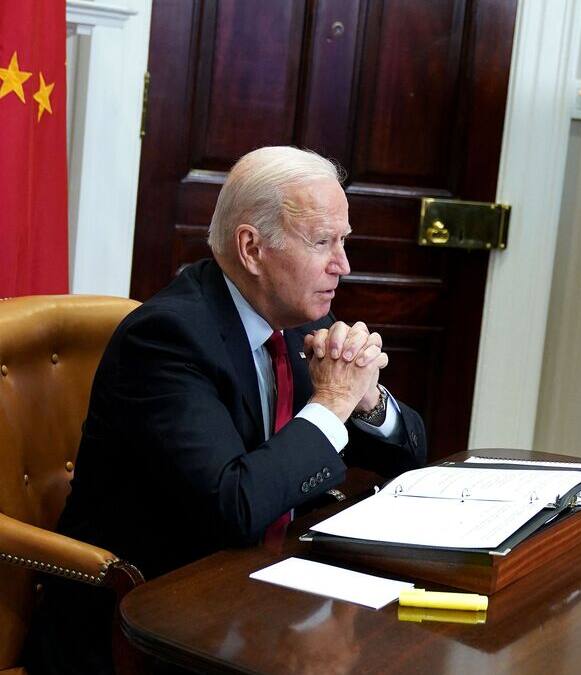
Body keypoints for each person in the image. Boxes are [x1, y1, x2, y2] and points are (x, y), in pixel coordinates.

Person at [25, 146, 426, 673]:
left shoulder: (297, 317)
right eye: (323, 242)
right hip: (147, 620)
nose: (343, 265)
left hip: (259, 595)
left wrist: (367, 399)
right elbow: (234, 505)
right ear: (252, 248)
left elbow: (411, 458)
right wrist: (331, 403)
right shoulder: (168, 339)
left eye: (343, 241)